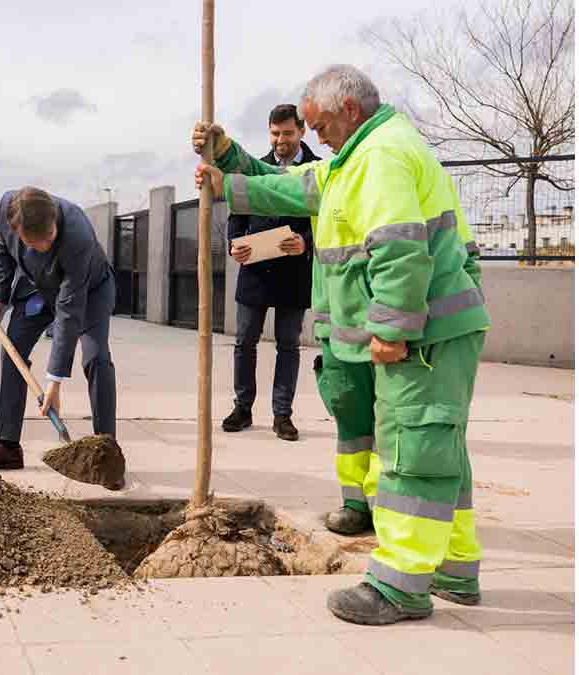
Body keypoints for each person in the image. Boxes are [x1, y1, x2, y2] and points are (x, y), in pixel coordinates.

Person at [193, 64, 489, 625]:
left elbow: (400, 248)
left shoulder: (380, 157)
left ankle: (400, 586)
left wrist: (391, 329)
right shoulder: (355, 159)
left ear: (348, 112)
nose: (313, 136)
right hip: (433, 331)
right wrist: (227, 162)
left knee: (413, 452)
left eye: (318, 125)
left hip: (424, 334)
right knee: (437, 446)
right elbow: (286, 186)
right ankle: (455, 569)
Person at [0, 187, 116, 471]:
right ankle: (7, 446)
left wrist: (54, 380)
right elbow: (3, 252)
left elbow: (69, 310)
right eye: (38, 242)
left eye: (50, 237)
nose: (47, 245)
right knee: (12, 349)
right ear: (20, 233)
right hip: (35, 287)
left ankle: (106, 455)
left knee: (95, 358)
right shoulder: (5, 208)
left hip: (86, 291)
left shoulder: (77, 233)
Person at [222, 104, 319, 442]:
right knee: (244, 341)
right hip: (255, 271)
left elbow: (328, 220)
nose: (280, 140)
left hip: (294, 273)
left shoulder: (318, 171)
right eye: (275, 133)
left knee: (288, 345)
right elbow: (236, 217)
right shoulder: (253, 169)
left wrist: (305, 243)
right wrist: (235, 244)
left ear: (301, 132)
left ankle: (282, 415)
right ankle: (243, 408)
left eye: (287, 133)